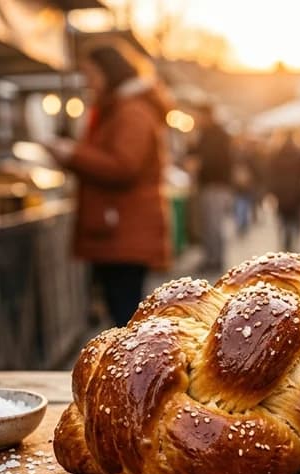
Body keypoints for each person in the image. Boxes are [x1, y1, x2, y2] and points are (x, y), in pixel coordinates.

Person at [48, 43, 171, 327]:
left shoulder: (131, 112)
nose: (88, 82)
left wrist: (73, 154)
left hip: (123, 228)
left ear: (109, 73)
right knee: (123, 311)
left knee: (125, 315)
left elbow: (124, 166)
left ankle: (133, 371)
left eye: (91, 74)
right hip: (117, 227)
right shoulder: (120, 109)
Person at [192, 104, 234, 272]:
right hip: (211, 184)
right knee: (209, 224)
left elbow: (217, 160)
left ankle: (215, 259)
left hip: (216, 185)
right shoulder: (205, 134)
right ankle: (211, 257)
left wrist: (200, 164)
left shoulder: (217, 135)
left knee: (213, 224)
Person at [268, 131, 300, 252]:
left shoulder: (277, 154)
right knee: (294, 217)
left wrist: (273, 190)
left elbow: (272, 172)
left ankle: (285, 239)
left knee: (283, 218)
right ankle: (292, 237)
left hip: (282, 191)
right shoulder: (299, 153)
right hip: (295, 190)